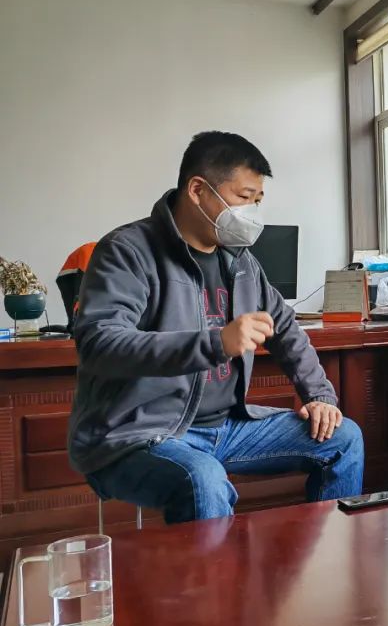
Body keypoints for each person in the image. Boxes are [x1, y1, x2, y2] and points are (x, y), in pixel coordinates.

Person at [68, 131, 364, 523]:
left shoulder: (242, 262)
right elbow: (100, 343)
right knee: (202, 478)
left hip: (227, 427)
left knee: (344, 438)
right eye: (244, 197)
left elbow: (287, 329)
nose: (252, 212)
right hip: (137, 435)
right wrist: (215, 343)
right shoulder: (127, 251)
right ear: (197, 190)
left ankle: (330, 555)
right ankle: (213, 568)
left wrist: (320, 395)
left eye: (257, 200)